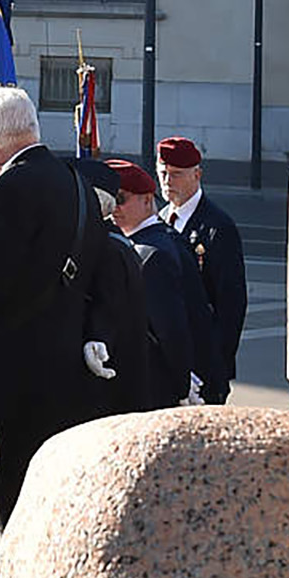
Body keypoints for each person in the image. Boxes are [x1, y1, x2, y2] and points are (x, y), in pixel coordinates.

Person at [0, 87, 109, 528]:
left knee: (15, 509)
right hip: (67, 374)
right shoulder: (78, 187)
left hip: (9, 382)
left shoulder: (5, 194)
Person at [156, 136, 248, 403]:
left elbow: (231, 305)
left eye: (176, 174)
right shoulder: (162, 219)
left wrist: (214, 367)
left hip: (204, 363)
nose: (167, 181)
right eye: (162, 173)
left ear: (197, 175)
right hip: (170, 361)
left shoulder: (217, 227)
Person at [108, 159, 197, 408]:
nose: (114, 208)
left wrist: (182, 386)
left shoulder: (151, 254)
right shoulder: (151, 241)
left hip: (154, 389)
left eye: (121, 198)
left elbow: (171, 331)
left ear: (147, 200)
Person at [74, 158, 150, 417]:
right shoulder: (113, 245)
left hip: (109, 392)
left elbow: (108, 306)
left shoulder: (106, 250)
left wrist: (97, 337)